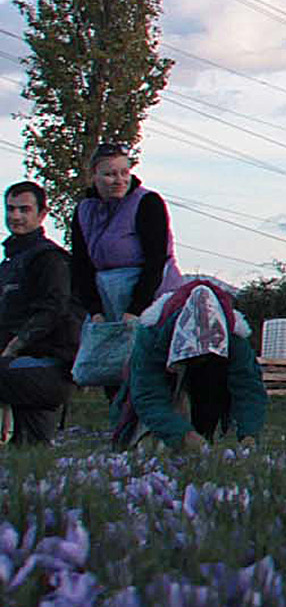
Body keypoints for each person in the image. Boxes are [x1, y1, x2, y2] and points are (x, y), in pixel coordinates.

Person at [67, 141, 177, 444]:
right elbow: (80, 264)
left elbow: (156, 260)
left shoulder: (147, 202)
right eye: (109, 174)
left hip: (147, 295)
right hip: (106, 295)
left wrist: (136, 308)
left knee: (145, 366)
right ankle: (121, 430)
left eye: (123, 172)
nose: (118, 180)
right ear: (94, 175)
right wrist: (95, 310)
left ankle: (154, 432)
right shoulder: (84, 210)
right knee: (111, 365)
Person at [121, 269, 267, 448]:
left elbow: (248, 387)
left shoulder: (235, 340)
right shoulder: (152, 334)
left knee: (210, 390)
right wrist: (181, 434)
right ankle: (164, 438)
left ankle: (204, 434)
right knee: (153, 442)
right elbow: (147, 392)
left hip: (211, 379)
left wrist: (249, 433)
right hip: (167, 378)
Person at [0, 181, 85, 444]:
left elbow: (53, 310)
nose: (16, 216)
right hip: (22, 365)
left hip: (47, 366)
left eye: (24, 209)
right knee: (31, 449)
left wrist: (13, 346)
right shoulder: (11, 263)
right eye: (10, 209)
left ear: (42, 214)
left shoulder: (50, 260)